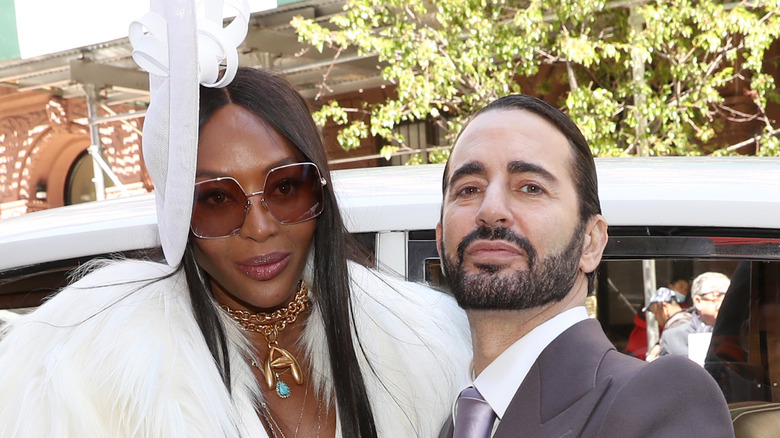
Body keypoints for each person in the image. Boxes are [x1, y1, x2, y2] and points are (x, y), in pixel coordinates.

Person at [0, 8, 470, 436]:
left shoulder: (420, 347)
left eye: (286, 187)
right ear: (178, 215)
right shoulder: (91, 375)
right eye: (218, 199)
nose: (261, 226)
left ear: (321, 188)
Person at [435, 94, 733, 437]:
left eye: (531, 187)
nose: (490, 209)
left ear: (590, 242)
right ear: (441, 241)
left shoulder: (663, 400)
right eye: (468, 188)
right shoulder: (455, 420)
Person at [659, 271, 730, 358]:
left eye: (727, 297)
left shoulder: (740, 333)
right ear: (698, 301)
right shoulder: (673, 338)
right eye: (718, 296)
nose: (723, 303)